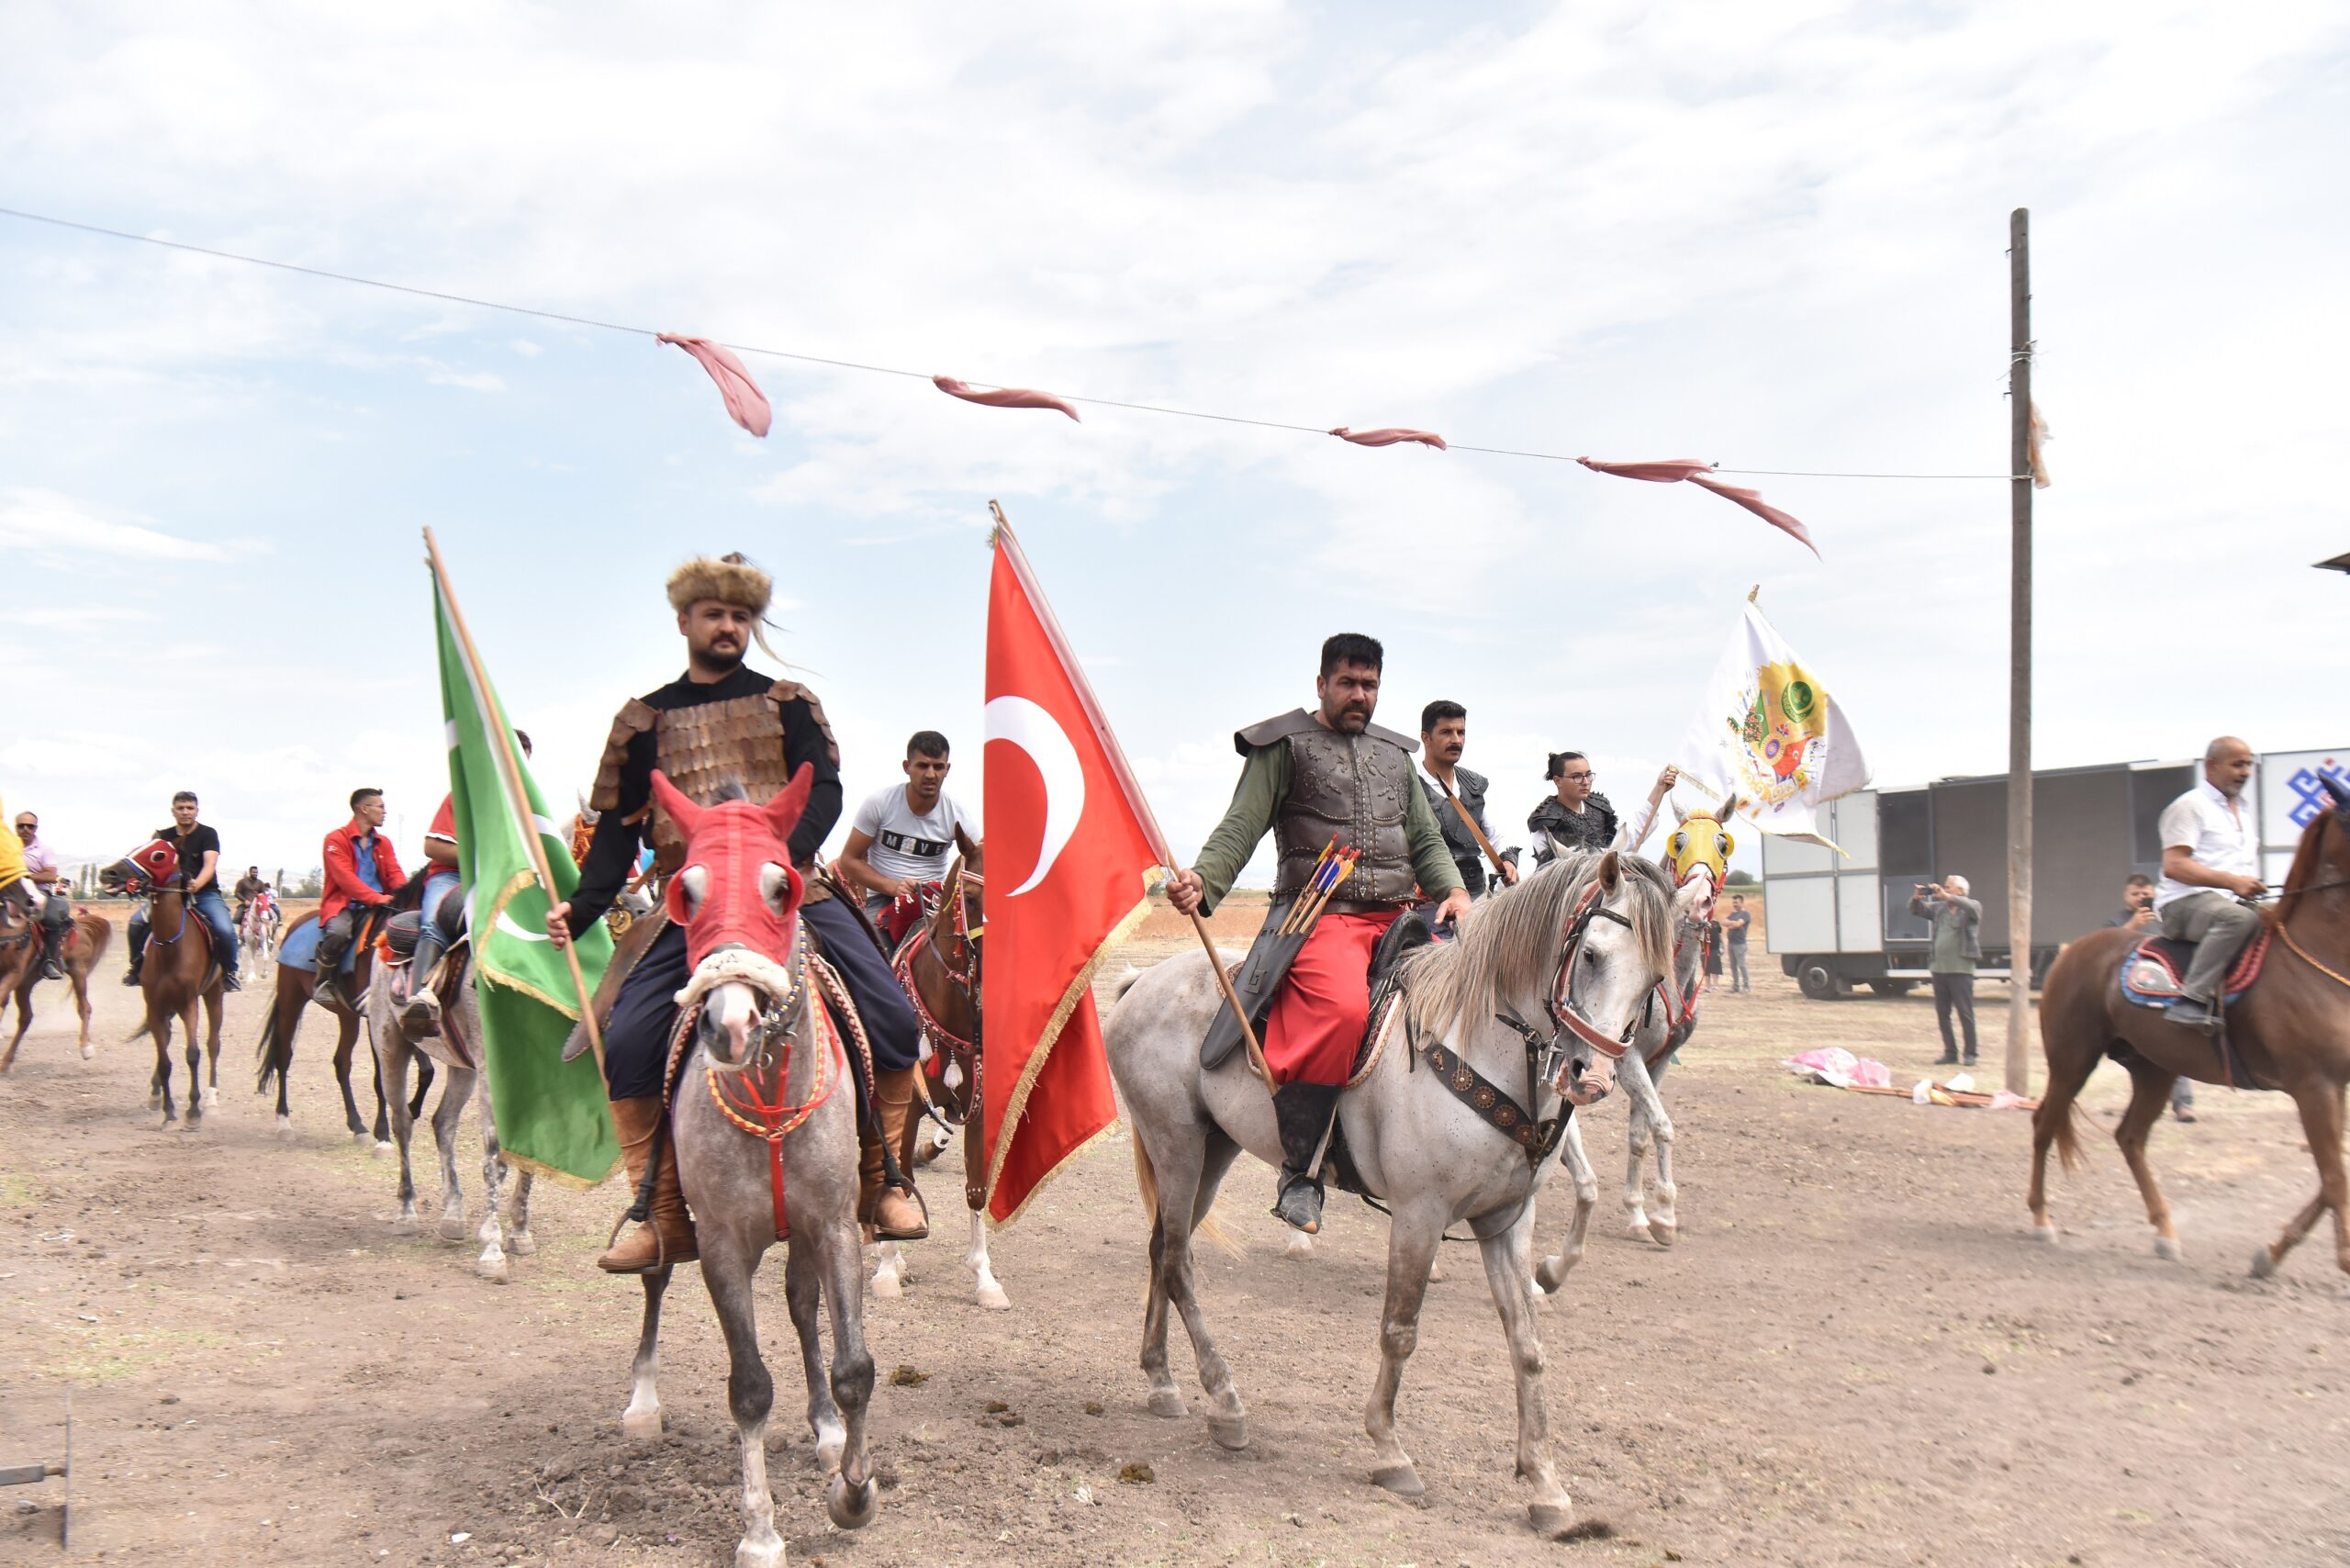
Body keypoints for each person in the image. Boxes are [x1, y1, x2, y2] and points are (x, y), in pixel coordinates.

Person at [547, 552, 928, 1272]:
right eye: (715, 615)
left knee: (892, 1017)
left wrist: (778, 864)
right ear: (684, 620)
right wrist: (584, 902)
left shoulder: (788, 703)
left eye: (741, 617)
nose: (729, 628)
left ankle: (882, 1183)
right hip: (690, 907)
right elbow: (619, 829)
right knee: (627, 1041)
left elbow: (825, 795)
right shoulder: (644, 721)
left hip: (791, 892)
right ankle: (657, 1213)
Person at [1165, 633, 1472, 1234]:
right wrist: (1204, 879)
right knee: (1340, 1010)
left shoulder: (1395, 755)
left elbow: (1425, 839)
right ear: (1322, 684)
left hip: (1399, 917)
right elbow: (1240, 826)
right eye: (1349, 684)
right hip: (1318, 917)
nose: (1360, 695)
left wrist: (1455, 892)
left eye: (1371, 685)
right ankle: (1302, 1171)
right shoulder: (1282, 744)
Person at [402, 733, 531, 1036]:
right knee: (435, 922)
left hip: (505, 880)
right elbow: (432, 847)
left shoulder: (526, 808)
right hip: (451, 877)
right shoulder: (464, 795)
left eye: (523, 764)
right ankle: (419, 1001)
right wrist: (483, 858)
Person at [2153, 736, 2265, 1036]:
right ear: (2211, 766)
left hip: (2226, 901)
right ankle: (2192, 999)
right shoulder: (2190, 806)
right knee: (2239, 918)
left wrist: (2248, 885)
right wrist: (2233, 882)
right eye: (2237, 764)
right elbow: (2174, 865)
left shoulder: (2241, 811)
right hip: (2183, 903)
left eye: (2248, 765)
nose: (2245, 771)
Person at [836, 730, 984, 933]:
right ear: (907, 767)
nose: (931, 774)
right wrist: (893, 887)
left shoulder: (957, 814)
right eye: (923, 766)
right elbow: (849, 860)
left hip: (934, 903)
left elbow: (982, 856)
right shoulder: (879, 803)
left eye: (938, 767)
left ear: (947, 769)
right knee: (864, 956)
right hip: (882, 901)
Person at [123, 791, 239, 991]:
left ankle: (229, 973)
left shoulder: (207, 834)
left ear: (197, 811)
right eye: (181, 808)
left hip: (204, 894)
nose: (186, 812)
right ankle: (137, 966)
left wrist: (197, 883)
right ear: (173, 811)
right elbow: (150, 864)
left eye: (190, 808)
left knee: (225, 929)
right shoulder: (162, 837)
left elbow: (210, 864)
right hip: (167, 895)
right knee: (136, 923)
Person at [2104, 873, 2192, 1119]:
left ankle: (2183, 1103)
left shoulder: (2166, 916)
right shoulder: (2117, 920)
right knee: (2136, 1054)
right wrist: (2132, 925)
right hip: (2131, 992)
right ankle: (2143, 1103)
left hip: (2167, 988)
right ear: (2126, 895)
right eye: (2135, 894)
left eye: (2145, 894)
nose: (2141, 898)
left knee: (2175, 1043)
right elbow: (2103, 948)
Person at [1416, 700, 1518, 897]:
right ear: (1426, 738)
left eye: (1461, 732)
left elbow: (1496, 834)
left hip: (1476, 891)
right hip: (1428, 894)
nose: (1456, 740)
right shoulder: (1409, 782)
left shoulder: (1474, 784)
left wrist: (1507, 861)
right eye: (1446, 732)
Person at [313, 789, 406, 1003]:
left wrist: (403, 895)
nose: (385, 811)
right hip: (346, 905)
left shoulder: (384, 843)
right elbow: (345, 878)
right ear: (364, 809)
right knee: (338, 933)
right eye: (380, 807)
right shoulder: (335, 839)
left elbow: (395, 873)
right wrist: (377, 898)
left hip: (381, 904)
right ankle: (323, 981)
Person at [1528, 754, 1680, 866]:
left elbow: (1629, 837)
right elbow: (1552, 866)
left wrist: (1659, 788)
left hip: (1604, 885)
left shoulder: (1599, 808)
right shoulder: (1546, 819)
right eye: (1577, 777)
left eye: (1588, 775)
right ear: (1558, 780)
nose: (1585, 782)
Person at [1909, 875, 1982, 1066]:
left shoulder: (1971, 908)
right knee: (1943, 1013)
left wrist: (1947, 897)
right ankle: (1950, 1053)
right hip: (1939, 969)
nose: (1944, 889)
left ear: (1960, 891)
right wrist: (1916, 898)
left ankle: (1971, 1054)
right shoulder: (1940, 908)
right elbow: (1917, 911)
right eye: (1944, 887)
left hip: (1961, 969)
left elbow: (1972, 908)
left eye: (1949, 887)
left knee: (1965, 1013)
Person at [14, 809, 73, 980]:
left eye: (30, 826)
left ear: (35, 829)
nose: (25, 829)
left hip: (38, 891)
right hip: (10, 889)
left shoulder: (44, 849)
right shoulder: (7, 847)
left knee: (51, 919)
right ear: (15, 827)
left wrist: (23, 877)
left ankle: (49, 961)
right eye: (21, 826)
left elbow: (50, 875)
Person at [1723, 892, 1753, 993]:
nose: (1734, 904)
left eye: (1736, 902)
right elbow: (1724, 922)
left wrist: (1731, 924)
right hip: (1731, 943)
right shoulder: (1733, 914)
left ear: (1742, 902)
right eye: (1733, 903)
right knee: (1733, 966)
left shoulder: (1745, 914)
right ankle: (1735, 986)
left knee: (1742, 965)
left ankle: (1746, 986)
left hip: (1740, 944)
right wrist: (1733, 923)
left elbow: (1738, 925)